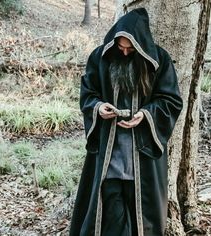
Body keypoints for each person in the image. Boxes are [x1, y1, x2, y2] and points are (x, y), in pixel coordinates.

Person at [70, 8, 183, 236]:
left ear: (140, 46)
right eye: (120, 47)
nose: (123, 53)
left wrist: (145, 114)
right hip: (109, 154)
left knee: (141, 218)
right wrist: (99, 107)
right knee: (110, 217)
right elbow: (88, 93)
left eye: (130, 49)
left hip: (141, 156)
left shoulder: (159, 60)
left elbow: (170, 100)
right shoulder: (100, 57)